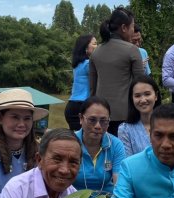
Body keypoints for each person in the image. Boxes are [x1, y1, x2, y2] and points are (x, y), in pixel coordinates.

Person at [72, 97, 126, 198]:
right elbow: (63, 185)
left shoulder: (115, 145)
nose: (98, 126)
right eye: (92, 120)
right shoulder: (70, 142)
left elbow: (119, 183)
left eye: (104, 121)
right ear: (81, 119)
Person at [89, 7, 145, 136]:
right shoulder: (132, 50)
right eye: (132, 27)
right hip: (126, 116)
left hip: (100, 116)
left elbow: (92, 89)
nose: (133, 31)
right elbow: (141, 85)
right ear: (124, 28)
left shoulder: (96, 52)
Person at [118, 75, 162, 156]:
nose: (143, 100)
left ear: (156, 96)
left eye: (147, 94)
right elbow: (128, 162)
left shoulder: (168, 124)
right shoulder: (125, 130)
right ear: (132, 98)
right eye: (137, 96)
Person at [65, 34, 98, 131]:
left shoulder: (78, 64)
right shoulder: (88, 64)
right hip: (81, 105)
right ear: (85, 48)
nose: (97, 46)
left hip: (72, 106)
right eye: (94, 44)